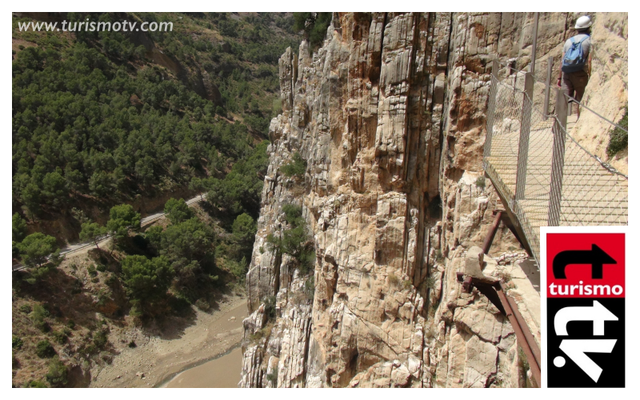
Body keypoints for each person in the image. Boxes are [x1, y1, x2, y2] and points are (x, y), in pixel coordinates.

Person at [557, 15, 593, 119]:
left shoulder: (569, 41)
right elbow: (589, 60)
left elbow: (562, 61)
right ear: (589, 28)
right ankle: (579, 122)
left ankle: (558, 127)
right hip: (580, 73)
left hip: (566, 73)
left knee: (563, 100)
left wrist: (559, 77)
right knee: (581, 100)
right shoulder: (589, 40)